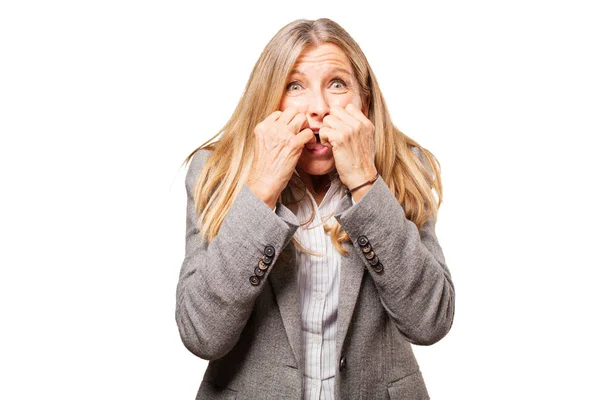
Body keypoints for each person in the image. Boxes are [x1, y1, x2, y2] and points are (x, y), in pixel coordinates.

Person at [176, 18, 455, 400]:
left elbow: (430, 322)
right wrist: (261, 191)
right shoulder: (213, 173)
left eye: (337, 84)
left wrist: (365, 184)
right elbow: (201, 334)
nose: (319, 108)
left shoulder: (404, 169)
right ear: (267, 100)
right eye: (295, 86)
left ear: (365, 102)